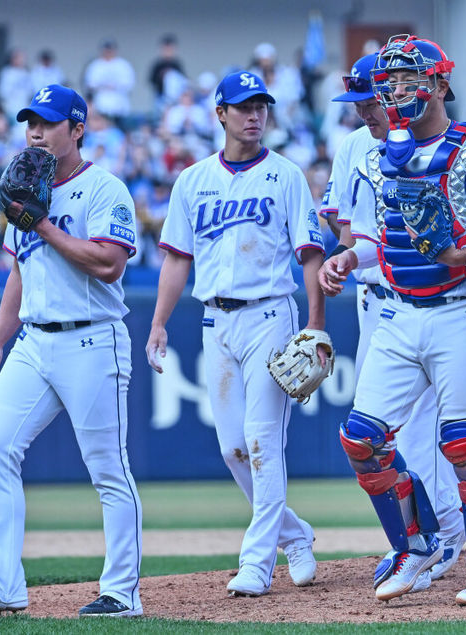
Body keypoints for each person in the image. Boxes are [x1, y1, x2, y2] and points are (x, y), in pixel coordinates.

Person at [319, 34, 466, 605]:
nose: (396, 92)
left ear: (439, 84)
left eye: (409, 80)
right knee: (362, 439)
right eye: (388, 83)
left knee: (465, 441)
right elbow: (372, 237)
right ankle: (416, 545)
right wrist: (346, 256)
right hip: (397, 310)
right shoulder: (376, 152)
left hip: (462, 309)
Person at [0, 85, 144, 617]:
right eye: (30, 121)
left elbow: (108, 264)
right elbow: (19, 270)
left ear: (77, 129)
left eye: (49, 122)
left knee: (108, 467)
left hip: (92, 337)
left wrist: (44, 225)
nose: (35, 131)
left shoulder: (105, 189)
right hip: (34, 341)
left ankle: (123, 591)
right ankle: (3, 584)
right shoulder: (27, 188)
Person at [145, 70, 322, 598]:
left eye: (261, 105)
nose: (255, 115)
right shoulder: (193, 181)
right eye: (244, 106)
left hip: (270, 315)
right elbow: (178, 259)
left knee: (263, 440)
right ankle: (296, 533)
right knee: (231, 448)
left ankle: (256, 562)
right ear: (220, 113)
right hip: (214, 321)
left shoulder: (285, 175)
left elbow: (310, 252)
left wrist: (314, 322)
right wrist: (156, 322)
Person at [320, 53, 465, 582]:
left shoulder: (437, 145)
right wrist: (342, 257)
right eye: (358, 103)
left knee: (429, 431)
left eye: (371, 99)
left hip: (434, 298)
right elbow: (351, 231)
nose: (365, 112)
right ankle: (420, 538)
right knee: (378, 433)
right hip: (375, 300)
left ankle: (446, 539)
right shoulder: (354, 147)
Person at [84, 40, 135, 125]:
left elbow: (129, 84)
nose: (108, 52)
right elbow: (90, 84)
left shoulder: (123, 65)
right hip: (101, 105)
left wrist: (114, 86)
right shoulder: (96, 65)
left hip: (119, 105)